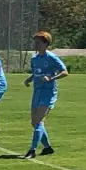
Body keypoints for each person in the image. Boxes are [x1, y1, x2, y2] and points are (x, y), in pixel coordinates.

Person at [23, 31, 67, 159]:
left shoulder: (52, 57)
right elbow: (36, 73)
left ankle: (32, 150)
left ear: (46, 43)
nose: (36, 45)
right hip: (37, 91)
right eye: (35, 42)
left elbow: (65, 72)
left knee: (38, 121)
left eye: (38, 42)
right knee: (34, 122)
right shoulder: (34, 59)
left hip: (48, 92)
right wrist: (29, 79)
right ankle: (47, 148)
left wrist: (51, 78)